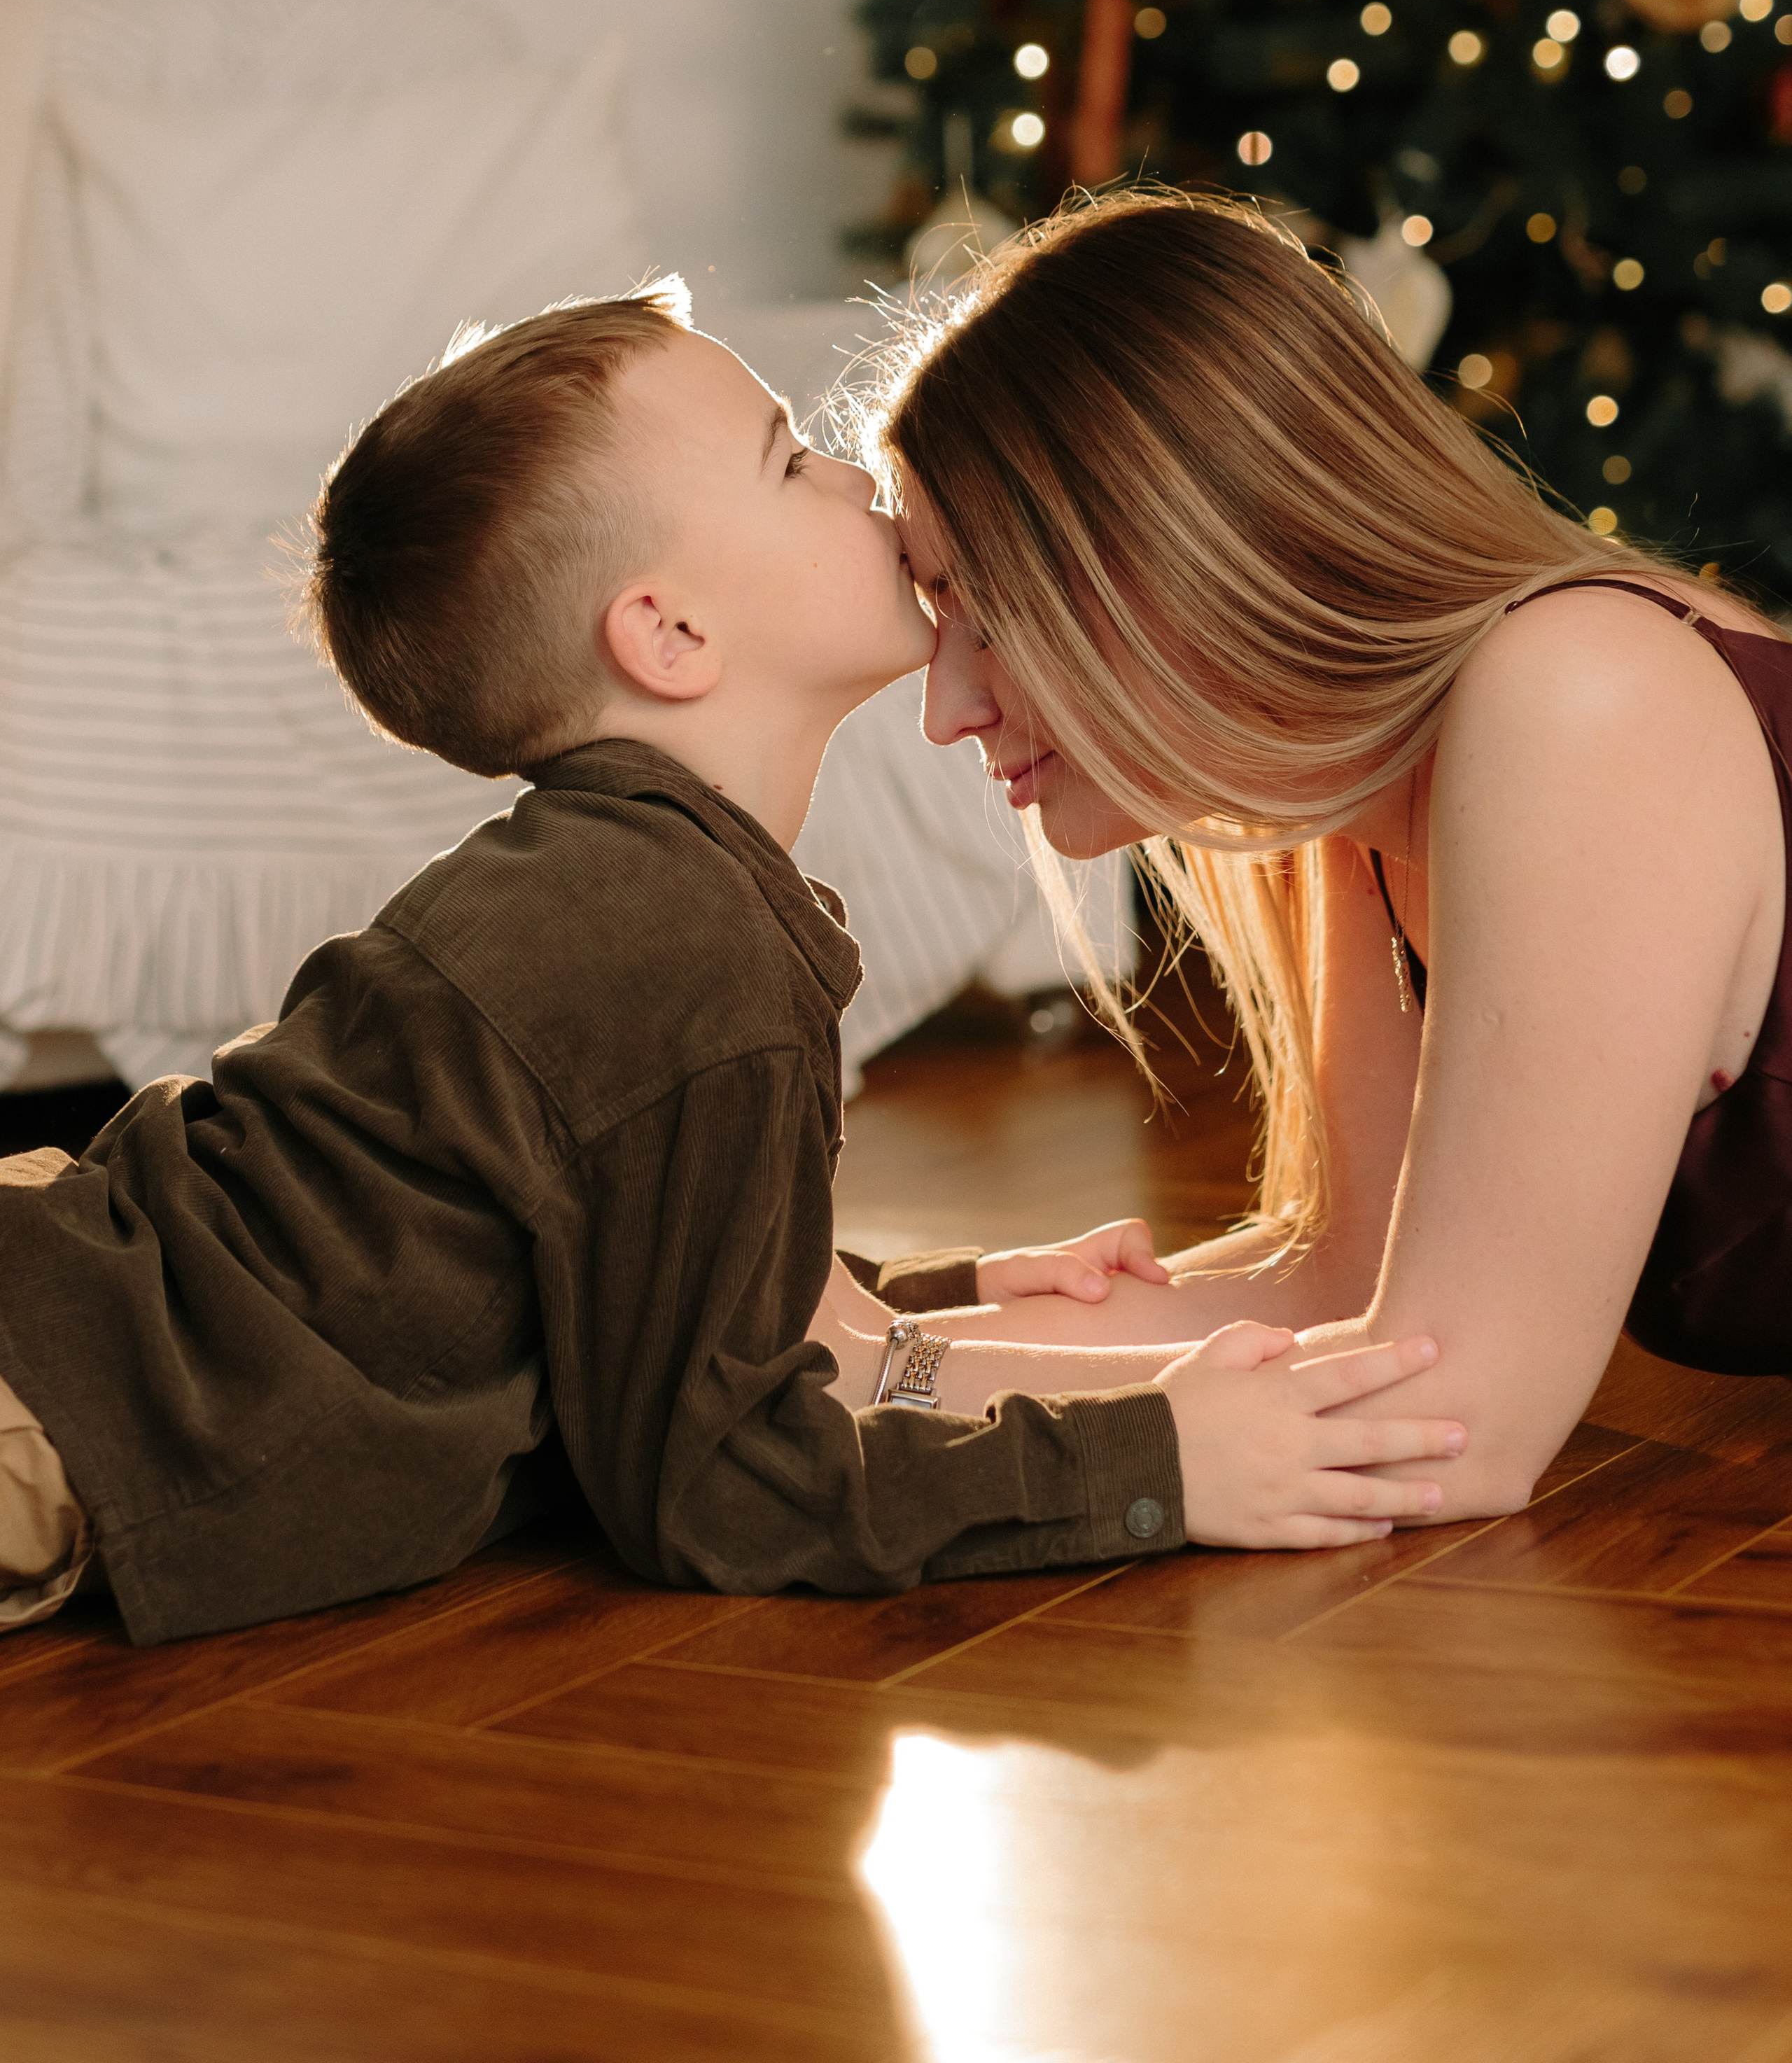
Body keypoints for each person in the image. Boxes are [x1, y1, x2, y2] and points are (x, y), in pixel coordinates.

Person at [0, 286, 1460, 1644]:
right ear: (673, 633)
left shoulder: (640, 894)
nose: (854, 475)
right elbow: (724, 1483)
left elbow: (636, 1264)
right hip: (53, 1399)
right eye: (788, 461)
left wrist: (922, 1293)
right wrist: (1160, 1460)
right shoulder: (674, 937)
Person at [876, 186, 1792, 1520]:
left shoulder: (1583, 696)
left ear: (1173, 556)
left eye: (988, 616)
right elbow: (1336, 1286)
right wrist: (851, 1362)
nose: (944, 708)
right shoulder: (1353, 804)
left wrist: (845, 1389)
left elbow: (1442, 1422)